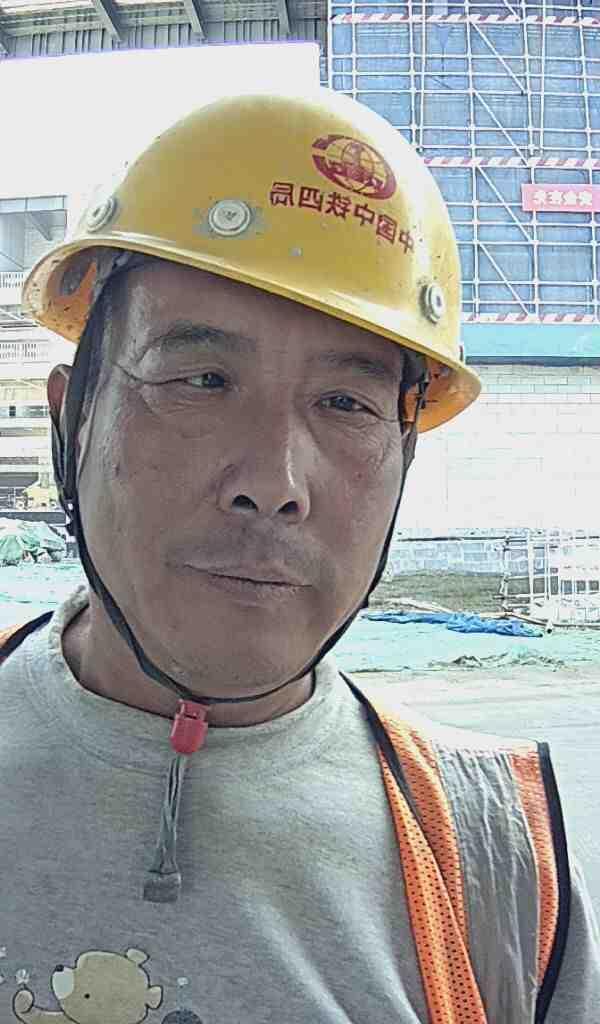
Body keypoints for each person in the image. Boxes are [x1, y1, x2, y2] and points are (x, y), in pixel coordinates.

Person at [0, 90, 597, 1024]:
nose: (274, 483)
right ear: (74, 417)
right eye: (203, 380)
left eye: (346, 404)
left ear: (404, 456)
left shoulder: (494, 853)